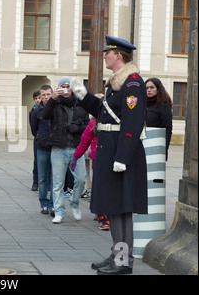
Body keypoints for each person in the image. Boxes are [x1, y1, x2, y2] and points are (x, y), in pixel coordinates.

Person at [71, 35, 148, 275]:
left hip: (120, 153)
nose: (104, 56)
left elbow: (132, 124)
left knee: (122, 209)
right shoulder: (117, 83)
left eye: (108, 53)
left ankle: (124, 261)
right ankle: (117, 254)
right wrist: (82, 94)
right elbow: (101, 112)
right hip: (109, 148)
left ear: (118, 56)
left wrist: (122, 158)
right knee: (113, 207)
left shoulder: (132, 83)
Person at [41, 76, 89, 224]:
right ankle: (59, 211)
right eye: (63, 87)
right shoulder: (55, 103)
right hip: (58, 147)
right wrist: (53, 99)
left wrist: (78, 128)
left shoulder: (80, 103)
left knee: (81, 179)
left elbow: (88, 125)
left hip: (76, 148)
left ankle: (74, 203)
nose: (66, 90)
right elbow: (44, 115)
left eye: (68, 86)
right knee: (58, 183)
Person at [69, 93, 109, 230]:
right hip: (97, 161)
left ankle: (106, 212)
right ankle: (101, 214)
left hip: (112, 160)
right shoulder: (93, 123)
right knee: (98, 187)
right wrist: (75, 156)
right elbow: (84, 142)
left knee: (109, 188)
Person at [30, 85, 54, 216]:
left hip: (55, 146)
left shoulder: (56, 109)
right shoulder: (35, 112)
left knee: (54, 177)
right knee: (43, 177)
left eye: (48, 94)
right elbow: (34, 129)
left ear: (52, 95)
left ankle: (53, 204)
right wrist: (40, 138)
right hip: (42, 147)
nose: (45, 97)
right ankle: (44, 203)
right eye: (43, 95)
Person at [145, 77, 173, 160]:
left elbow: (168, 128)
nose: (149, 90)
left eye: (152, 87)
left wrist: (163, 149)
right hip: (142, 144)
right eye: (146, 88)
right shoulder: (142, 104)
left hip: (156, 146)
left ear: (158, 89)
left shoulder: (164, 106)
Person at [30, 90, 41, 191]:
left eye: (39, 98)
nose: (37, 100)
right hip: (38, 138)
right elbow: (33, 127)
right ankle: (35, 181)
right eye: (35, 99)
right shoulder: (33, 111)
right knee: (37, 160)